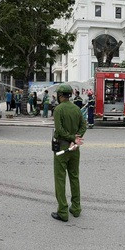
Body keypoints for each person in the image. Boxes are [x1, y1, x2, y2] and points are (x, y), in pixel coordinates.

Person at [51, 84, 87, 222]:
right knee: (74, 177)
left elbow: (59, 131)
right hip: (75, 149)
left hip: (62, 148)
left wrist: (72, 138)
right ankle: (76, 208)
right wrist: (76, 139)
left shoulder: (58, 109)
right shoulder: (76, 108)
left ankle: (63, 211)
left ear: (60, 95)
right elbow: (83, 125)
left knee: (60, 179)